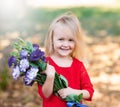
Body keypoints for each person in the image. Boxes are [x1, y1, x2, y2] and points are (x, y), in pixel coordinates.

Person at [38, 12, 94, 107]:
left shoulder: (78, 65)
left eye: (70, 40)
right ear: (52, 40)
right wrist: (50, 77)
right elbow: (45, 95)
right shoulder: (45, 63)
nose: (65, 44)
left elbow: (89, 92)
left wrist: (73, 92)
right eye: (61, 39)